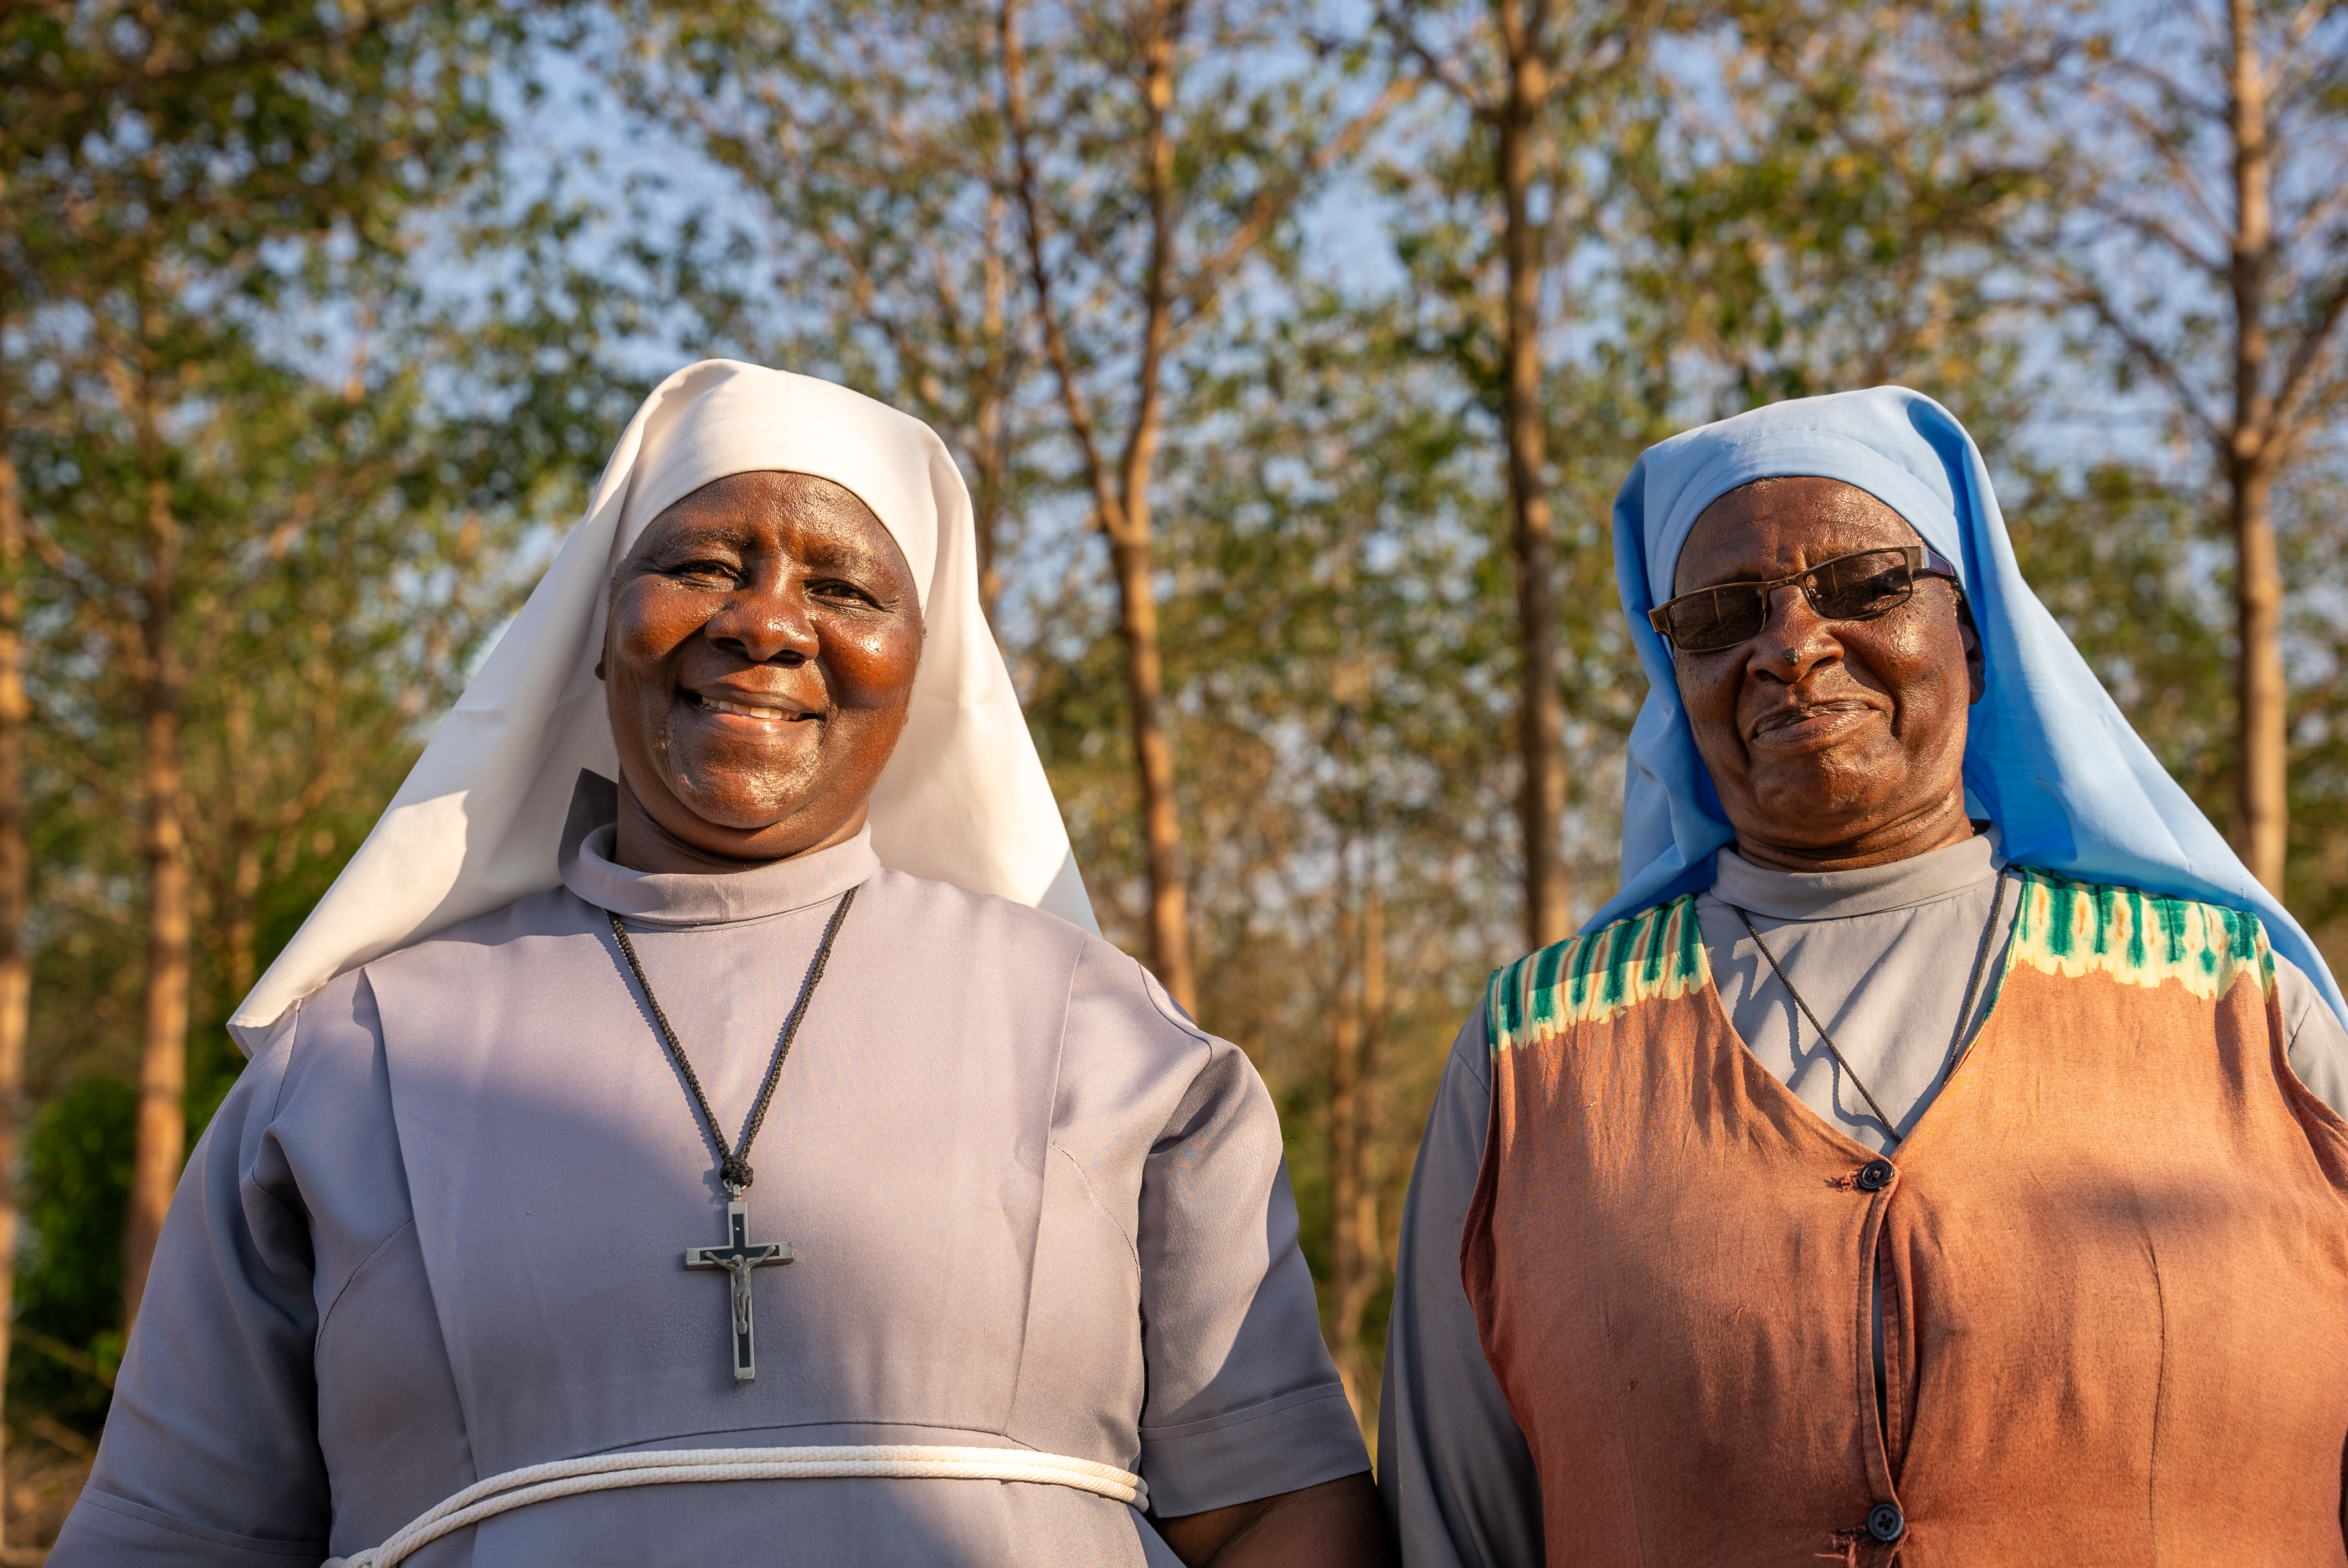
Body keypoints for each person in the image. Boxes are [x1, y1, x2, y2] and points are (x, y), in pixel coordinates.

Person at [55, 361, 1389, 1568]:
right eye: (702, 565)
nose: (766, 623)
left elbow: (1278, 1506)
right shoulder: (353, 1061)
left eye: (841, 586)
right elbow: (171, 1538)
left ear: (919, 669)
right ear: (597, 621)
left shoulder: (1104, 1033)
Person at [1379, 388, 2348, 1566]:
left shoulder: (2241, 1010)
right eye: (1720, 614)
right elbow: (1452, 1535)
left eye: (1863, 587)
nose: (1788, 646)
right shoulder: (1531, 1060)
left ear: (1974, 632)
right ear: (1668, 666)